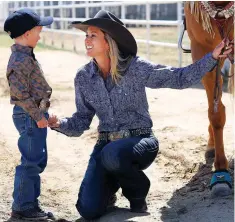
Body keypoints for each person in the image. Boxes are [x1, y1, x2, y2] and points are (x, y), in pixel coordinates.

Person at [48, 10, 233, 220]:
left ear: (109, 41)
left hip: (140, 141)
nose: (86, 40)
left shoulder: (135, 68)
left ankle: (137, 194)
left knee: (112, 155)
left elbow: (178, 78)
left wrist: (213, 56)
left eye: (93, 35)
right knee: (88, 210)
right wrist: (58, 123)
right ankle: (111, 183)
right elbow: (81, 121)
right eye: (86, 35)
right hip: (106, 145)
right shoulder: (83, 77)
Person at [4, 8, 54, 220]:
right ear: (26, 34)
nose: (40, 35)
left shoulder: (25, 56)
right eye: (38, 31)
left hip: (33, 113)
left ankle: (30, 204)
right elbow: (20, 94)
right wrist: (38, 115)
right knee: (31, 161)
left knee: (37, 159)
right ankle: (23, 208)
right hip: (28, 114)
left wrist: (42, 111)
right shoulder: (19, 60)